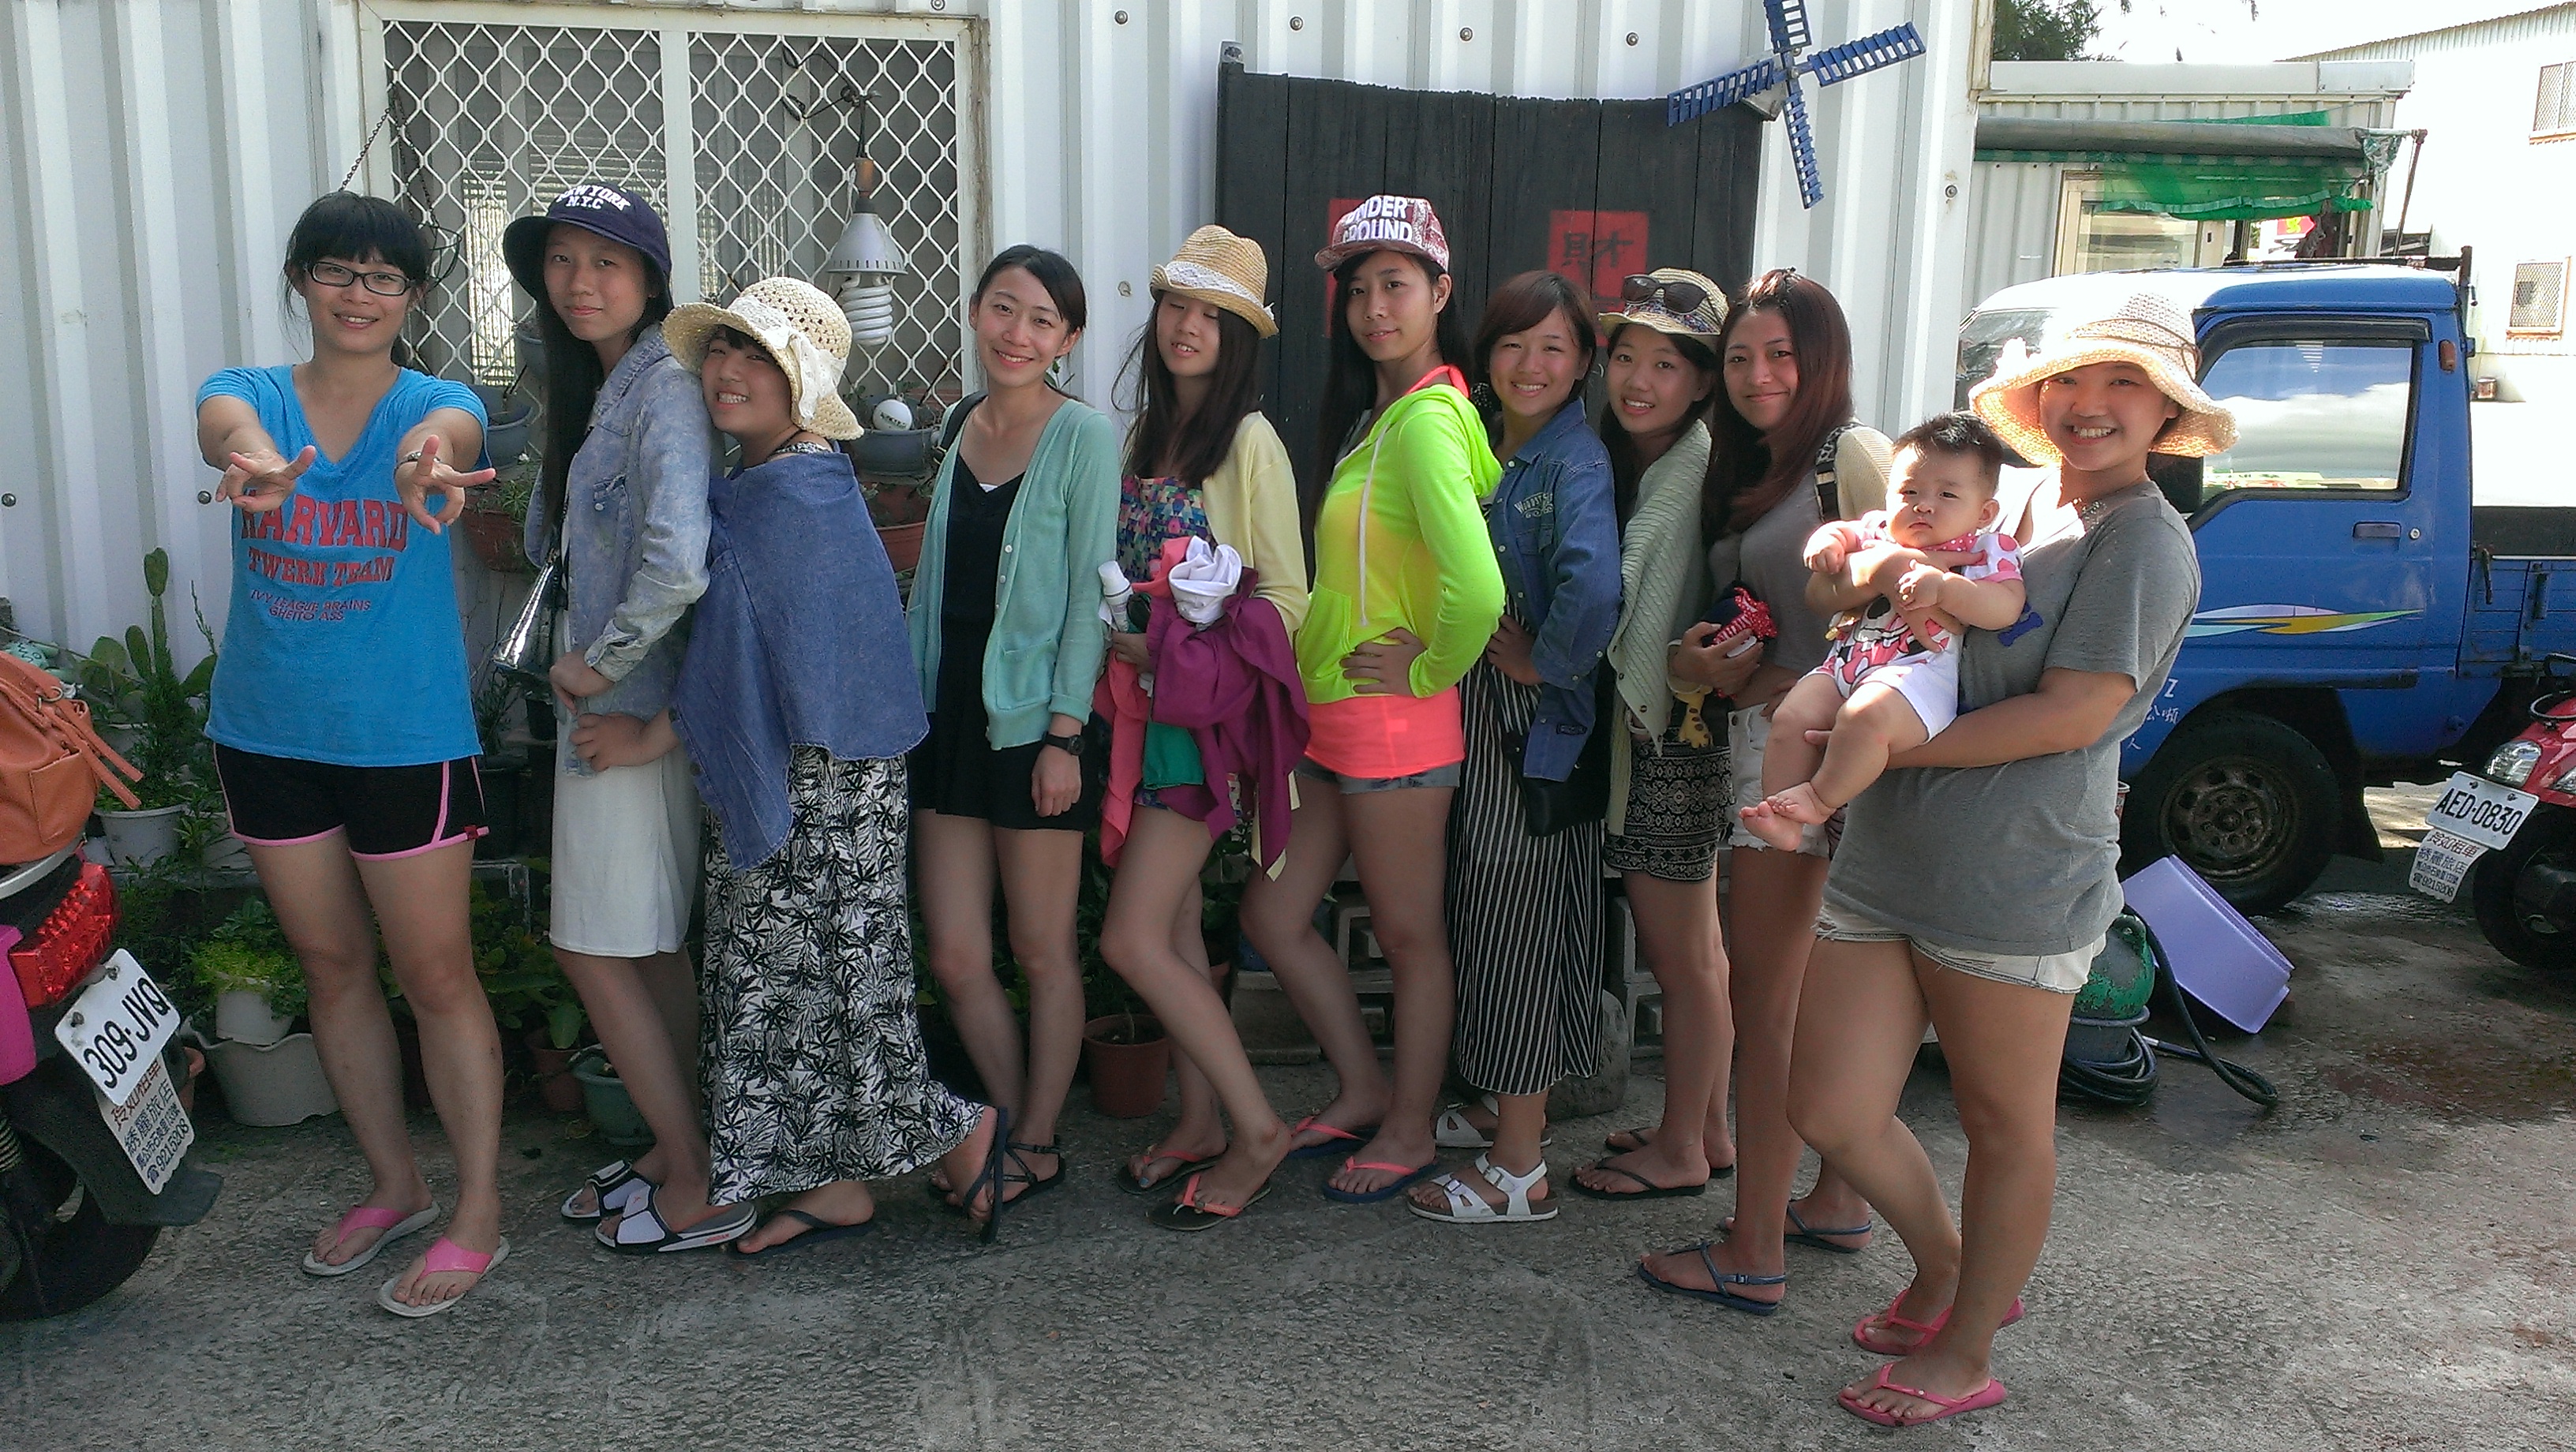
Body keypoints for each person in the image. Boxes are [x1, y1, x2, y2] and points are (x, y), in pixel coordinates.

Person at [1788, 291, 2221, 1426]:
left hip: (2017, 880)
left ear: (2167, 413)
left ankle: (1969, 1343)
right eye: (2071, 380)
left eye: (2125, 383)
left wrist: (1878, 754)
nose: (2091, 404)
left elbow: (2073, 715)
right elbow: (1868, 584)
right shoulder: (2013, 496)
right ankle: (1947, 1267)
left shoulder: (2143, 541)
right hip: (1890, 860)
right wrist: (1852, 563)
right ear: (2037, 396)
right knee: (1829, 1108)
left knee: (2002, 1124)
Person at [575, 278, 1009, 1248]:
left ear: (802, 382)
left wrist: (644, 736)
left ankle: (963, 1135)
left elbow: (744, 660)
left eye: (758, 357)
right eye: (723, 349)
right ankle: (835, 1186)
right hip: (820, 766)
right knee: (794, 989)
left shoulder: (794, 493)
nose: (728, 371)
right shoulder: (776, 478)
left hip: (827, 780)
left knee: (835, 986)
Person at [197, 193, 506, 1315]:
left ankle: (479, 1211)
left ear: (413, 296)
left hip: (403, 737)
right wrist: (254, 459)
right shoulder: (252, 392)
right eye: (336, 270)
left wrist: (424, 468)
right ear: (302, 280)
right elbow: (226, 424)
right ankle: (396, 1186)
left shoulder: (435, 402)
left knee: (437, 976)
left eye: (384, 277)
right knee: (332, 969)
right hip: (268, 732)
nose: (358, 294)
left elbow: (448, 440)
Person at [1237, 195, 1504, 1204]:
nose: (1374, 307)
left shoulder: (1428, 422)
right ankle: (1361, 1087)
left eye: (1396, 284)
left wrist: (1428, 669)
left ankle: (1408, 1125)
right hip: (1334, 724)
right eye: (1357, 289)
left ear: (1440, 293)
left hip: (1395, 728)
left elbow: (1478, 590)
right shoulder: (1382, 419)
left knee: (1407, 937)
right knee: (1275, 914)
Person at [1633, 268, 1884, 1309]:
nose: (1757, 374)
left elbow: (1913, 608)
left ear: (1823, 361)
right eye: (1740, 357)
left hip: (1815, 761)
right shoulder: (1760, 467)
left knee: (1768, 1001)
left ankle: (1752, 1248)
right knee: (1809, 997)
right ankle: (1835, 1199)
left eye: (1781, 354)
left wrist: (1803, 691)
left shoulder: (1850, 457)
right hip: (1763, 742)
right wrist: (1702, 664)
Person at [501, 185, 733, 1251]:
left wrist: (600, 662)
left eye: (607, 262)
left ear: (650, 281)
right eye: (562, 260)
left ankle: (696, 1173)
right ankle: (687, 1142)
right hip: (614, 706)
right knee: (644, 948)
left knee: (594, 947)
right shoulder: (599, 386)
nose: (580, 282)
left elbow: (679, 561)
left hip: (625, 712)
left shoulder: (665, 389)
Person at [1091, 227, 1312, 1225]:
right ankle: (1196, 1121)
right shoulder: (1144, 434)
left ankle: (1258, 1128)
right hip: (1138, 717)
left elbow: (1288, 599)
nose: (1187, 326)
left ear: (1239, 338)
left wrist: (1176, 652)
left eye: (1211, 315)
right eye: (1177, 305)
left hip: (1198, 727)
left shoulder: (1250, 441)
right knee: (1175, 927)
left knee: (1131, 938)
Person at [1406, 270, 1618, 1226]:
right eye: (1513, 344)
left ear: (1582, 364)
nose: (1531, 364)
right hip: (1484, 704)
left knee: (1513, 917)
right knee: (1494, 907)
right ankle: (1506, 1106)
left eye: (1554, 347)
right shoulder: (1488, 441)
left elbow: (1595, 586)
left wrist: (1546, 663)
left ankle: (1520, 1167)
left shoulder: (1573, 460)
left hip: (1525, 721)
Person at [910, 247, 1119, 1209]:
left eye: (1042, 320)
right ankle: (1001, 1125)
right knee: (956, 955)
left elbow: (1087, 597)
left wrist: (1066, 736)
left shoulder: (1082, 435)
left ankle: (1039, 1139)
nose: (1018, 334)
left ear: (1068, 338)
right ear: (976, 312)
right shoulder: (961, 425)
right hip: (945, 714)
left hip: (1037, 723)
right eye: (1004, 309)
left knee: (1040, 947)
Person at [1569, 271, 1739, 1208]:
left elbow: (1624, 600)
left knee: (1681, 961)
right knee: (1698, 952)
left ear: (1703, 380)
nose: (1637, 379)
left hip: (1668, 731)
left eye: (1666, 364)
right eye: (1627, 356)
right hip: (1682, 727)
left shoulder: (1686, 469)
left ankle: (1679, 1147)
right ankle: (1705, 1129)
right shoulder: (1658, 459)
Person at [1740, 414, 2025, 851]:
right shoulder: (1879, 530)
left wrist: (1946, 589)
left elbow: (2005, 607)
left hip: (1918, 676)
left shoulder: (1986, 549)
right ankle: (1781, 816)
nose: (1923, 505)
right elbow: (1841, 531)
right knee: (1791, 718)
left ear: (1984, 513)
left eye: (1947, 494)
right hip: (1845, 663)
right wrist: (1827, 543)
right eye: (1909, 492)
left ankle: (1819, 800)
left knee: (1865, 719)